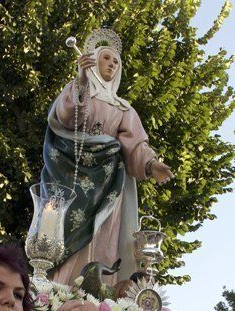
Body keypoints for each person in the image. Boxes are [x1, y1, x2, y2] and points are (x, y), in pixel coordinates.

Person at [45, 31, 173, 285]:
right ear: (93, 61)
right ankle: (62, 290)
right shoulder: (78, 91)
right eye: (106, 59)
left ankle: (102, 291)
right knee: (71, 233)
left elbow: (135, 144)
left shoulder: (123, 108)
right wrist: (81, 80)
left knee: (105, 237)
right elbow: (69, 119)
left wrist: (151, 164)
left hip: (109, 182)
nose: (112, 65)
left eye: (116, 62)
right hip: (74, 175)